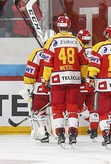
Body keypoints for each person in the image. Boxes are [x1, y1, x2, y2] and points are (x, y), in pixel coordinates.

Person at [42, 15, 88, 147]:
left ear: (58, 26)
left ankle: (60, 134)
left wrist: (45, 79)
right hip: (74, 79)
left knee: (57, 108)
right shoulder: (76, 41)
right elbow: (84, 62)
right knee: (73, 107)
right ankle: (73, 134)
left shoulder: (52, 41)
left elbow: (47, 63)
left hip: (57, 80)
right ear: (68, 26)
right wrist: (83, 77)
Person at [20, 30, 53, 143]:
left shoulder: (38, 53)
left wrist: (27, 86)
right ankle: (62, 132)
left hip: (41, 88)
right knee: (60, 111)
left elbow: (31, 71)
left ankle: (43, 133)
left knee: (39, 111)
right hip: (59, 88)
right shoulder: (59, 52)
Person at [76, 29, 98, 141]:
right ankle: (94, 130)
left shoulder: (78, 50)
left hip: (81, 83)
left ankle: (71, 132)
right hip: (93, 84)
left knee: (76, 107)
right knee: (93, 109)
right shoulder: (95, 49)